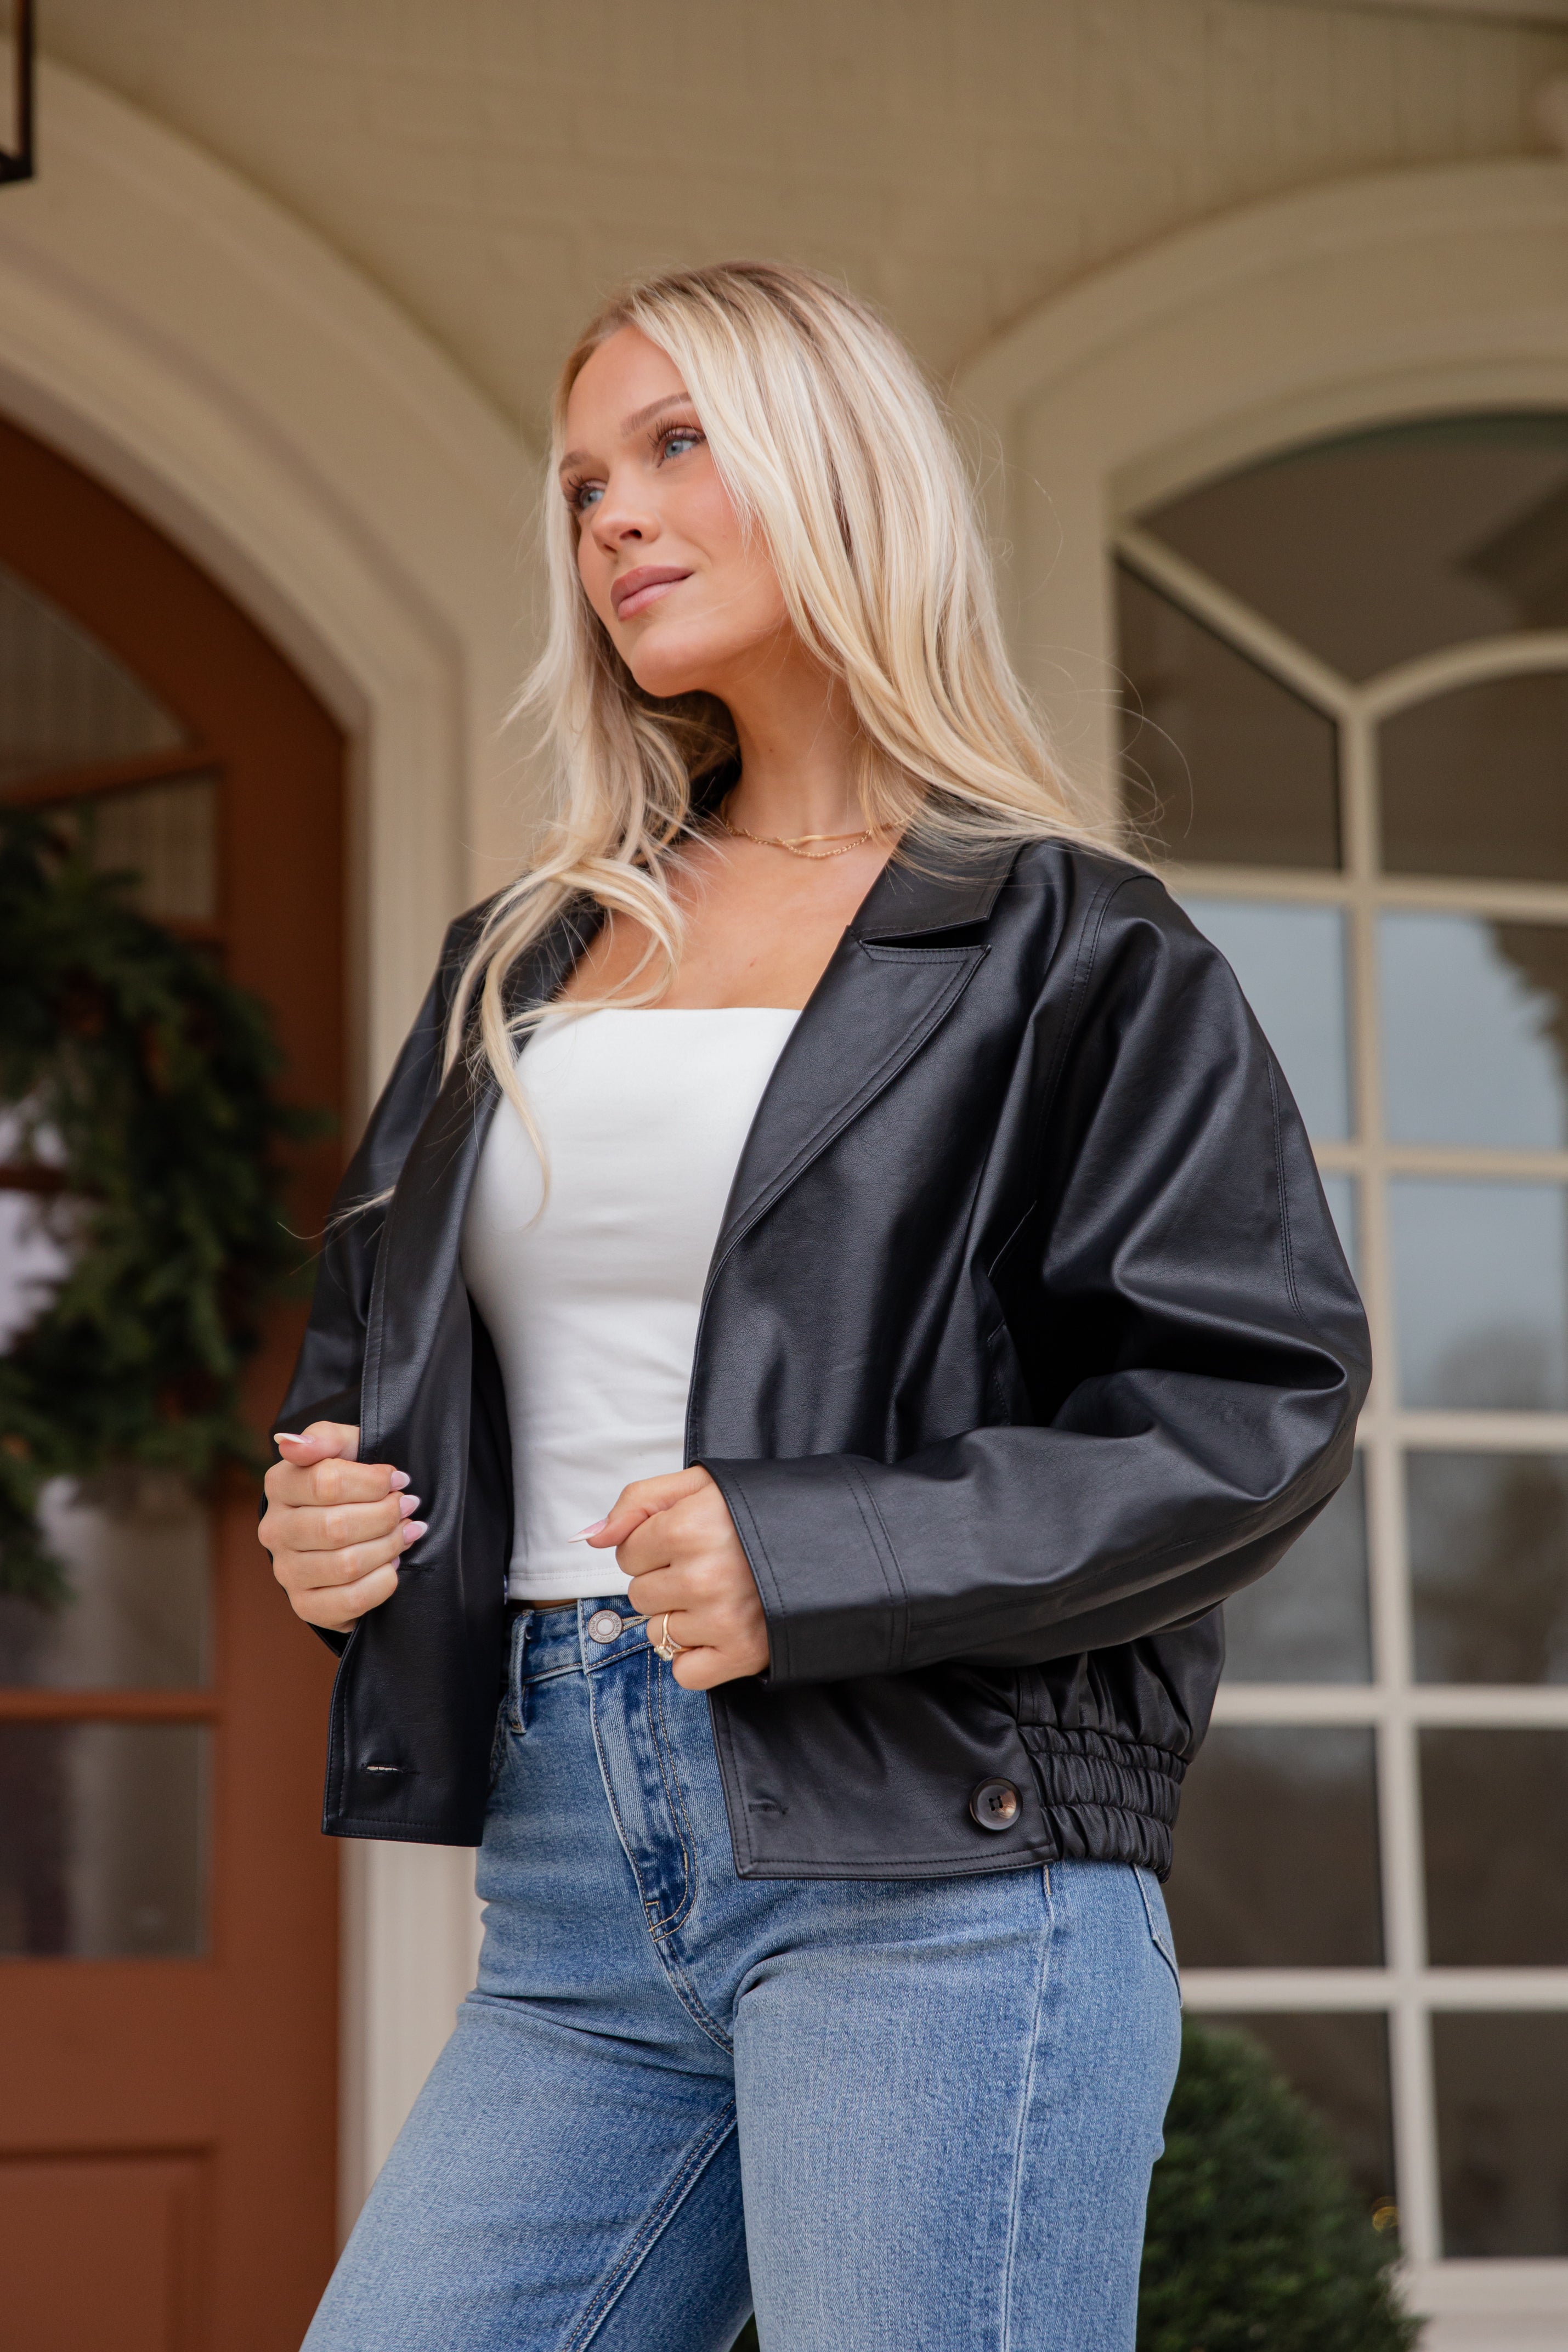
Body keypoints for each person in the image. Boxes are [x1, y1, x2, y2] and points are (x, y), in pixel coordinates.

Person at [259, 262, 1368, 2352]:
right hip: (575, 1874)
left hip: (941, 1863)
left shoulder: (1064, 947)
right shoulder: (524, 951)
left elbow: (1253, 1400)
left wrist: (813, 1548)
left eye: (676, 444)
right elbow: (380, 1382)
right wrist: (333, 1531)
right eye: (583, 476)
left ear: (840, 473)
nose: (611, 514)